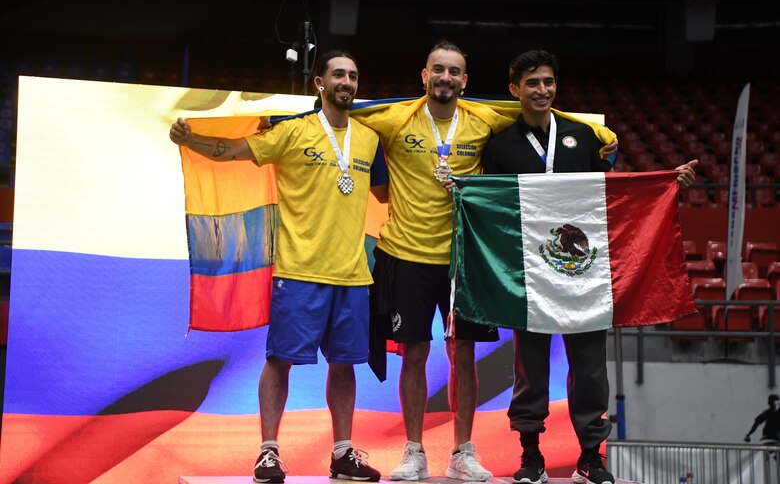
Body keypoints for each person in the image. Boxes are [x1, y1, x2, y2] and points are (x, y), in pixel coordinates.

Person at [359, 41, 614, 482]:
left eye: (454, 72)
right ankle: (416, 450)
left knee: (464, 354)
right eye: (437, 70)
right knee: (418, 354)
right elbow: (341, 112)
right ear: (424, 75)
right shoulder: (395, 117)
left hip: (469, 259)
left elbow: (540, 114)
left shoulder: (486, 123)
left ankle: (465, 451)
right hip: (412, 255)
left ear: (465, 81)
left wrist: (599, 131)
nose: (445, 78)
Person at [479, 49, 697, 484]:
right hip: (532, 276)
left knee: (591, 370)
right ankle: (530, 456)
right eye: (532, 83)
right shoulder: (501, 147)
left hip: (583, 274)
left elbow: (613, 198)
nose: (542, 90)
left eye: (548, 82)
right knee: (530, 368)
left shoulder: (585, 137)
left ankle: (590, 458)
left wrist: (669, 183)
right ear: (514, 90)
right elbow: (493, 208)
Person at [169, 50, 386, 484]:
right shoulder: (291, 132)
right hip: (300, 272)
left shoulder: (369, 138)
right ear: (319, 84)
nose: (347, 82)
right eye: (338, 75)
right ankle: (268, 453)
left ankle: (343, 454)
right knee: (280, 360)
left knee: (345, 365)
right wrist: (190, 140)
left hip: (353, 274)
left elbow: (385, 194)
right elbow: (232, 151)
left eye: (353, 76)